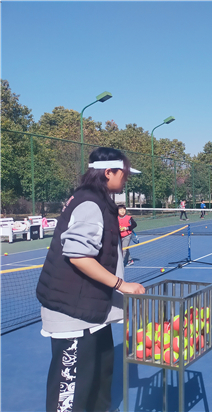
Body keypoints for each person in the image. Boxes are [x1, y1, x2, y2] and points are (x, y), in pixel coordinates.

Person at [36, 147, 146, 412]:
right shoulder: (89, 203)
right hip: (72, 314)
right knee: (71, 392)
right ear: (108, 172)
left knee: (98, 383)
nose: (126, 179)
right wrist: (122, 286)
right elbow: (79, 257)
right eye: (124, 173)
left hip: (93, 312)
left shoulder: (99, 200)